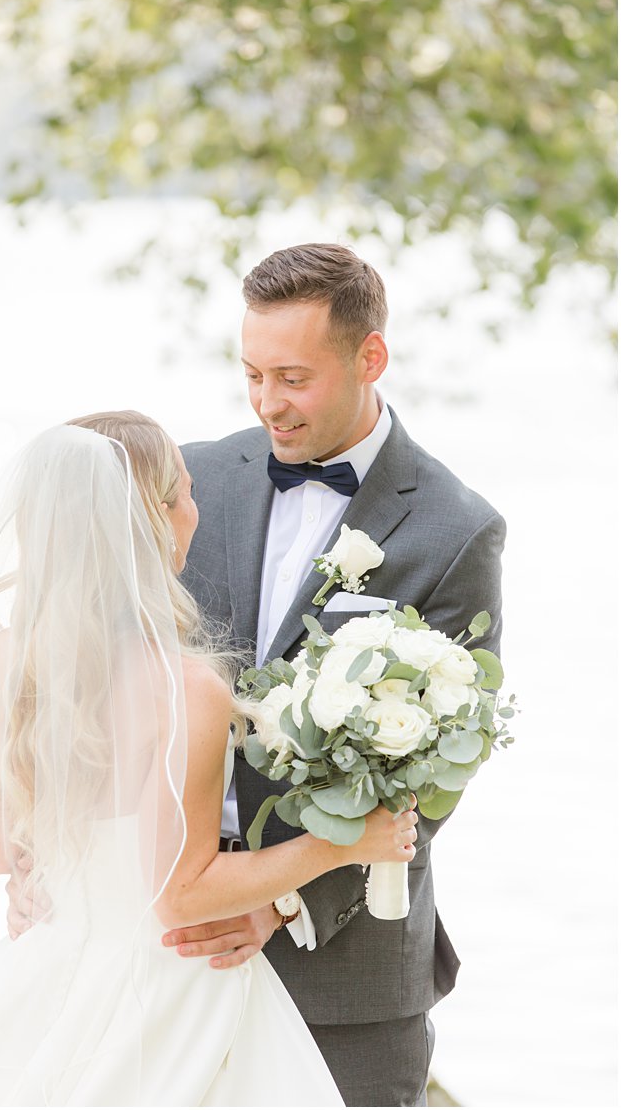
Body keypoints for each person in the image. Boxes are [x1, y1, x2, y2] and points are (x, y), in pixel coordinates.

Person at [0, 417, 416, 1105]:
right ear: (150, 522)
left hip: (53, 965)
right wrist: (343, 845)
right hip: (175, 988)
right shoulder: (185, 691)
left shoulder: (5, 663)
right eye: (183, 494)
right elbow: (179, 893)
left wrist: (55, 868)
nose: (197, 510)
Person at [164, 244, 506, 1105]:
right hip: (172, 936)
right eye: (251, 375)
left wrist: (279, 901)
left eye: (293, 377)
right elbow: (108, 671)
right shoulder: (192, 477)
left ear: (370, 358)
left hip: (344, 972)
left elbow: (443, 766)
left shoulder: (455, 528)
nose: (269, 405)